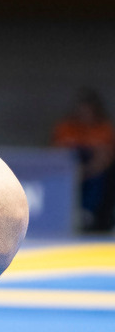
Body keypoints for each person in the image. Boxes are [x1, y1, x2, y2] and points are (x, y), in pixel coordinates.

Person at [51, 89, 115, 232]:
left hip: (95, 173)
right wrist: (75, 171)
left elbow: (105, 158)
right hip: (69, 173)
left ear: (95, 111)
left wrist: (86, 171)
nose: (84, 114)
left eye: (88, 111)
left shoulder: (104, 129)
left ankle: (88, 212)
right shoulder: (66, 127)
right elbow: (57, 155)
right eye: (81, 110)